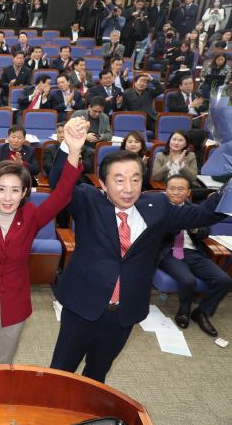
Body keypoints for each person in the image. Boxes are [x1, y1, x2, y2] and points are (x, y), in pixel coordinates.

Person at [48, 118, 227, 384]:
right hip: (82, 305)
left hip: (124, 312)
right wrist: (71, 149)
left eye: (134, 179)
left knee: (98, 374)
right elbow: (59, 185)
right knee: (60, 372)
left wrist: (229, 189)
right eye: (118, 180)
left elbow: (203, 215)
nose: (128, 188)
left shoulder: (158, 205)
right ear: (103, 182)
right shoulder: (88, 200)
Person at [0, 116, 85, 366]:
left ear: (24, 193)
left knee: (3, 363)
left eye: (15, 190)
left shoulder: (32, 216)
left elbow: (62, 194)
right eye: (0, 189)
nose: (7, 197)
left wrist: (74, 150)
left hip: (15, 302)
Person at [157, 174, 231, 337]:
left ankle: (201, 312)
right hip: (169, 253)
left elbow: (205, 232)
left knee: (224, 280)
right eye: (172, 188)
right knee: (188, 280)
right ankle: (184, 310)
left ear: (189, 191)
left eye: (180, 189)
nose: (176, 192)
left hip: (193, 252)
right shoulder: (159, 210)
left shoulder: (197, 211)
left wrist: (195, 229)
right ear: (166, 190)